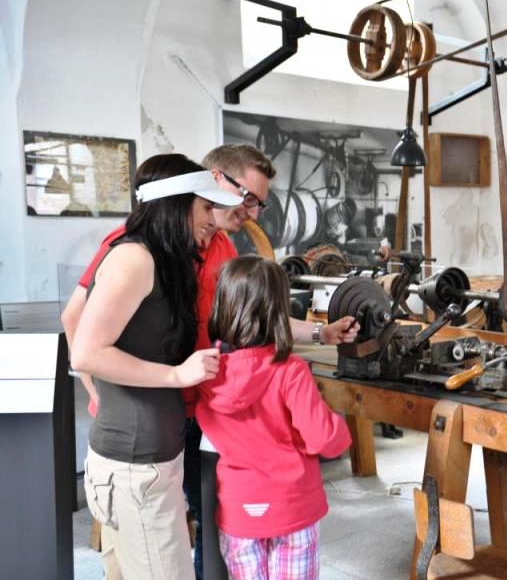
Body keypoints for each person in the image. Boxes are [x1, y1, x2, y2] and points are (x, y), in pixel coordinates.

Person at [61, 144, 360, 579]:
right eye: (249, 198)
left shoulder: (212, 247)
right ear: (214, 184)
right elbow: (79, 331)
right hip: (156, 427)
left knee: (205, 534)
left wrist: (319, 332)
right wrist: (103, 395)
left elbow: (253, 315)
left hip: (195, 406)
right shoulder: (137, 252)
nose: (252, 213)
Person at [71, 154, 244, 579]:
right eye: (204, 206)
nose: (212, 218)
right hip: (136, 470)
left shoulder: (163, 260)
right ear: (175, 203)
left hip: (143, 463)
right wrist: (175, 375)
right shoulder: (136, 258)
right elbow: (87, 353)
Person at [197, 256, 352, 579]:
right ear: (278, 311)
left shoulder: (207, 372)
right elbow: (325, 440)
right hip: (293, 506)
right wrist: (339, 423)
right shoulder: (290, 372)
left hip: (239, 509)